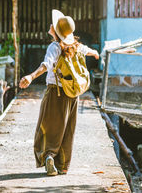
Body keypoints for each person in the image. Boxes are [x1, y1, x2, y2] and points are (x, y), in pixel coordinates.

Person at [19, 9, 99, 176]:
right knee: (67, 128)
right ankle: (62, 165)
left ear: (55, 31)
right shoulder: (75, 46)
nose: (50, 25)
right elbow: (88, 51)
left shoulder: (54, 46)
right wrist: (96, 53)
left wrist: (31, 76)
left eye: (53, 25)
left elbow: (46, 65)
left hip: (55, 93)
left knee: (48, 126)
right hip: (72, 93)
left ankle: (48, 156)